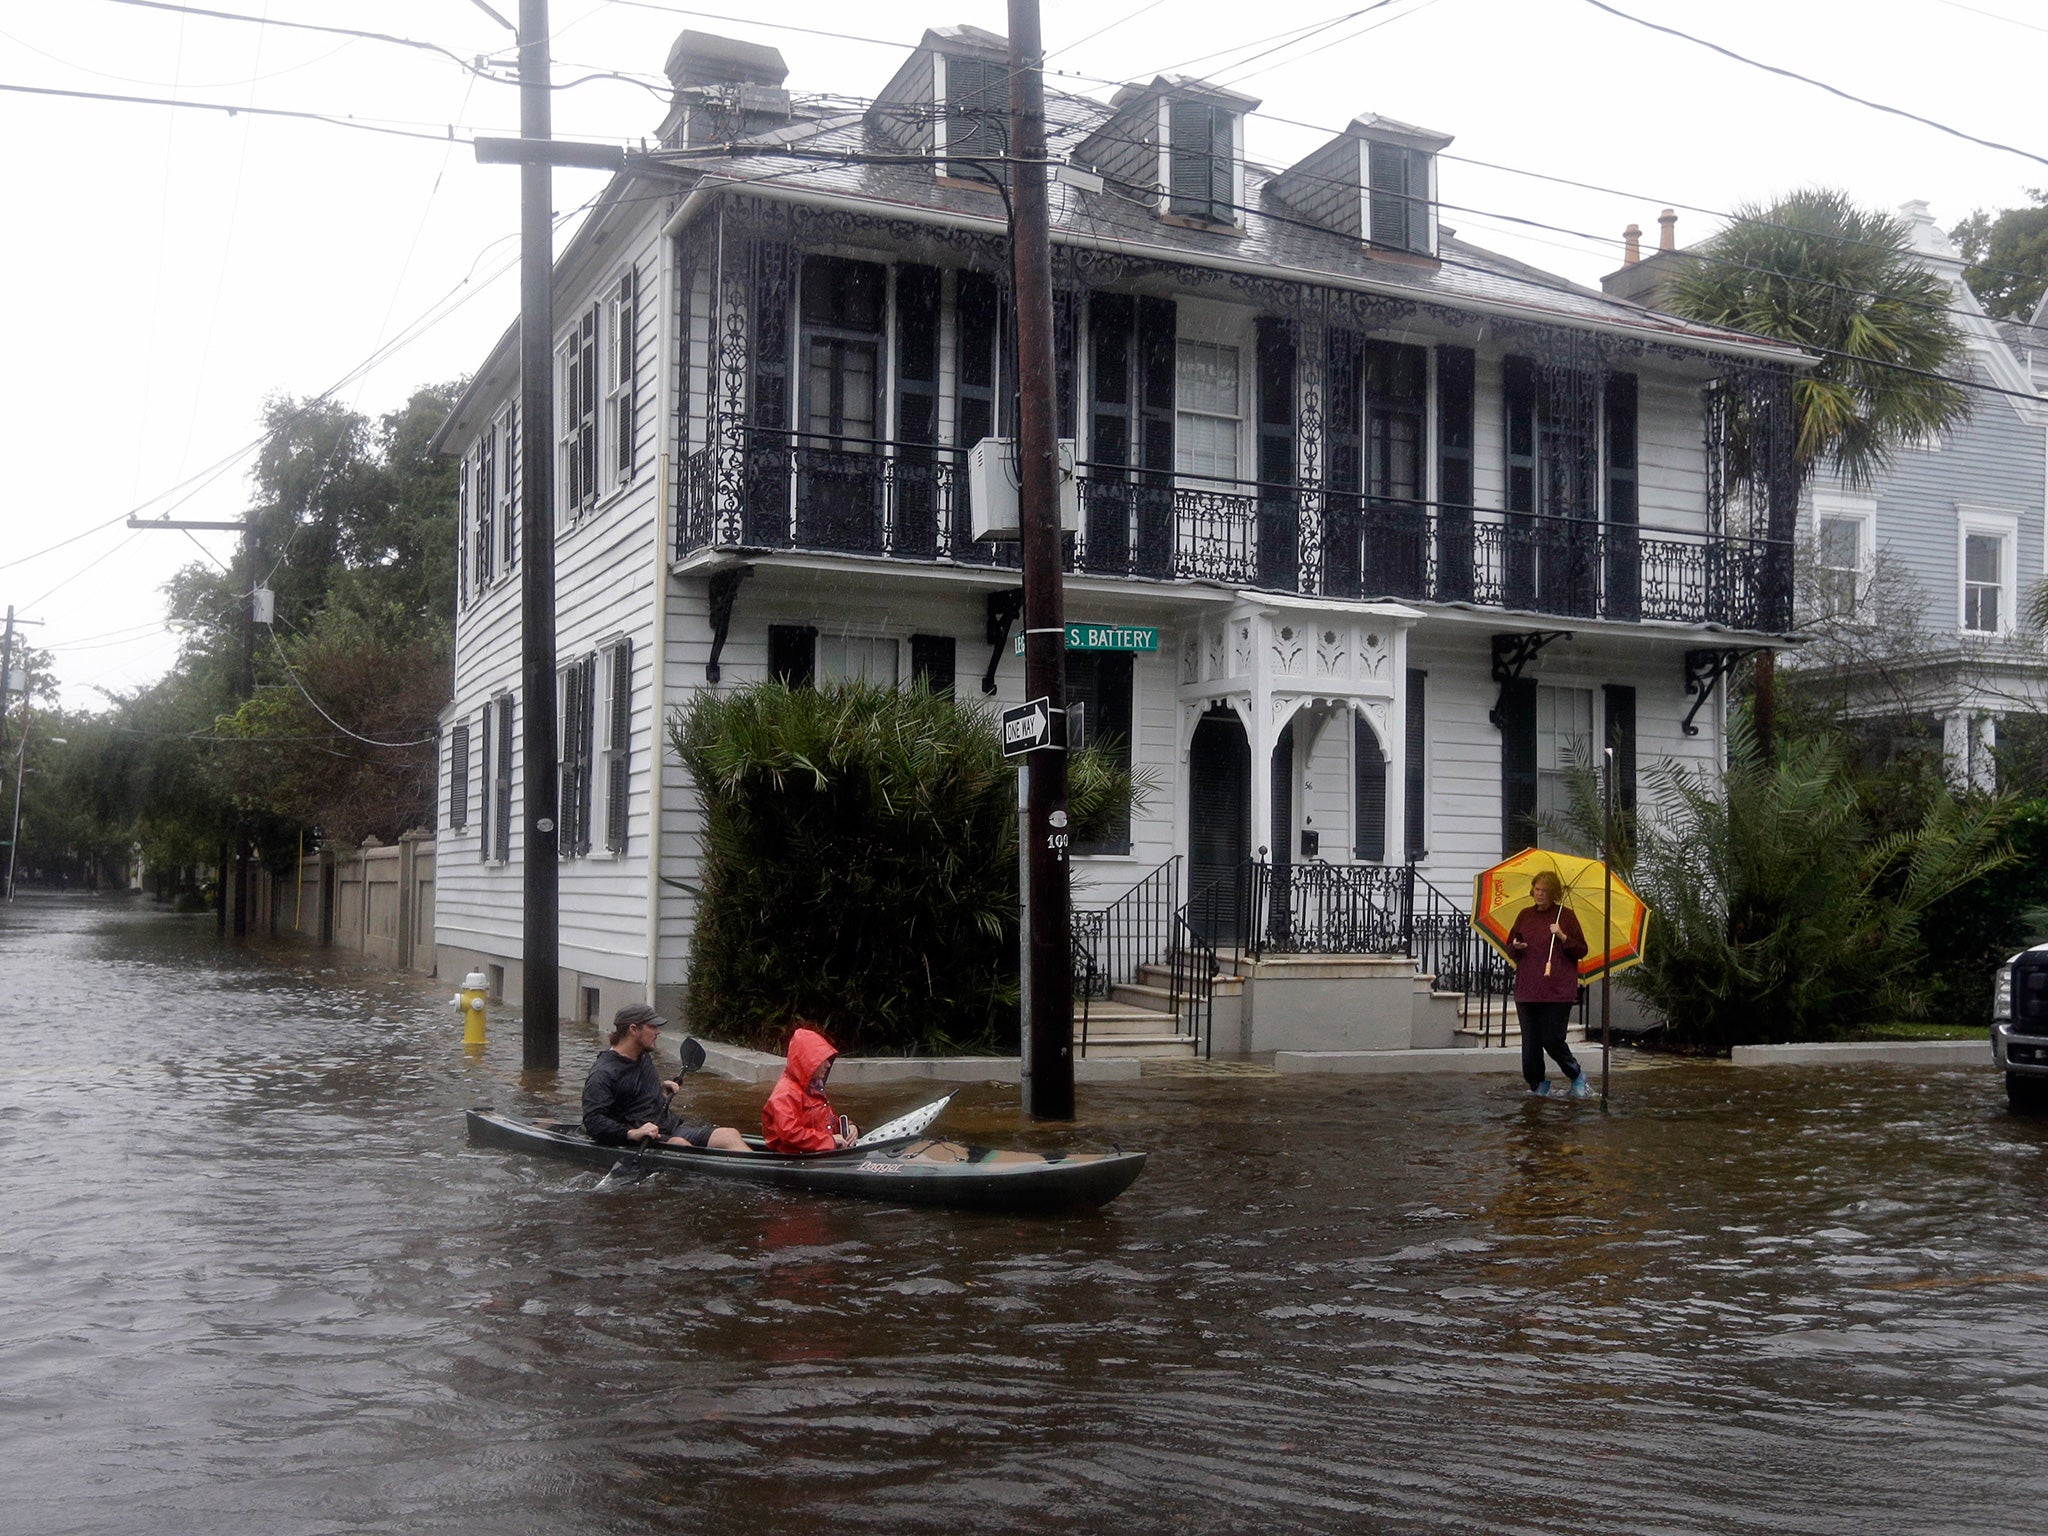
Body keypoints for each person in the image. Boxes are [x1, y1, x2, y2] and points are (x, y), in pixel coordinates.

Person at [581, 1004, 750, 1151]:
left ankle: (759, 1177)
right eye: (652, 1027)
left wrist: (658, 1091)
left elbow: (631, 1091)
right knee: (680, 1145)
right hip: (642, 1138)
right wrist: (632, 1133)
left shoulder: (642, 1055)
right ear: (633, 1029)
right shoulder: (603, 1073)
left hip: (668, 1127)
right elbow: (593, 1121)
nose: (658, 1031)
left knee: (729, 1135)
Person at [1508, 869, 1591, 1098]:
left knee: (1552, 1039)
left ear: (1552, 893)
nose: (1540, 894)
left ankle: (1575, 1074)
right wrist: (1517, 946)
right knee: (1531, 1045)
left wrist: (1563, 937)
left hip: (1557, 990)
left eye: (1544, 890)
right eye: (1537, 889)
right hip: (1528, 989)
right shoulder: (1524, 915)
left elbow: (1581, 949)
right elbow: (1511, 946)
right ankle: (1537, 1085)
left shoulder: (1566, 916)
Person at [760, 1023, 860, 1152]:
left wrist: (851, 1127)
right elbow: (790, 1133)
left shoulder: (812, 1087)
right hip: (794, 1160)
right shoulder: (785, 1093)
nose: (828, 1065)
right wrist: (830, 1141)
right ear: (808, 1062)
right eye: (822, 1060)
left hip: (817, 1153)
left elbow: (826, 1121)